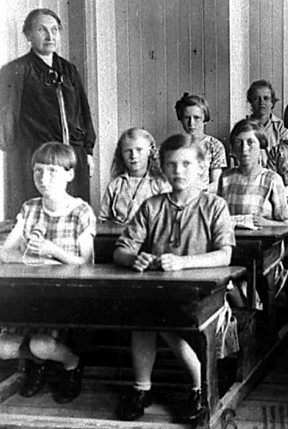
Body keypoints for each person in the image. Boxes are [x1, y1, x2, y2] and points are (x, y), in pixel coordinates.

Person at [114, 134, 235, 423]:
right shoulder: (152, 206)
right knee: (145, 317)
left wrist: (183, 263)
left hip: (206, 297)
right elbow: (121, 250)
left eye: (186, 164)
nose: (178, 171)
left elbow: (225, 255)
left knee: (160, 318)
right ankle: (142, 388)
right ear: (163, 168)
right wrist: (134, 259)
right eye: (171, 164)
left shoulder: (214, 205)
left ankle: (198, 389)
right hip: (160, 293)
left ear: (201, 166)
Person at [0, 142, 96, 404]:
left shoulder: (81, 211)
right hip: (29, 296)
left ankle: (71, 363)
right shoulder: (29, 209)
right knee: (2, 348)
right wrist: (37, 260)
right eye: (38, 170)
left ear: (69, 174)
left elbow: (87, 263)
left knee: (40, 344)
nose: (43, 178)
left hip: (65, 297)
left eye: (52, 171)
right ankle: (39, 363)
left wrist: (53, 251)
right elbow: (5, 253)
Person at [0, 8, 96, 218]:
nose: (50, 36)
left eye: (55, 30)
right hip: (36, 159)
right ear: (28, 35)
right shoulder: (16, 71)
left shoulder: (68, 70)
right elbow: (6, 121)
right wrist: (20, 159)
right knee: (36, 218)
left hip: (71, 158)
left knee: (73, 217)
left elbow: (83, 113)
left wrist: (87, 151)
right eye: (42, 30)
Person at [218, 119, 288, 226]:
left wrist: (265, 222)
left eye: (250, 142)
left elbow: (285, 224)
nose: (244, 149)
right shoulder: (226, 178)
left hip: (263, 235)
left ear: (260, 145)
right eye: (238, 142)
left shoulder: (272, 179)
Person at [99, 128, 170, 224]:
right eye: (128, 151)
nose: (133, 156)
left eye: (139, 150)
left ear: (149, 151)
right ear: (121, 153)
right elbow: (103, 219)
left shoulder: (160, 184)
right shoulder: (115, 186)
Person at [175, 93, 227, 191]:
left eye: (196, 118)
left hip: (204, 196)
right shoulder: (174, 145)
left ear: (205, 119)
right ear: (181, 119)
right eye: (187, 118)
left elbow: (216, 183)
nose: (191, 123)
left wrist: (197, 193)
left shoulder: (214, 145)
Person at [246, 79, 288, 152]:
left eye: (266, 98)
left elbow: (286, 153)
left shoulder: (281, 127)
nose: (261, 102)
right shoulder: (244, 127)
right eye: (256, 98)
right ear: (251, 102)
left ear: (272, 102)